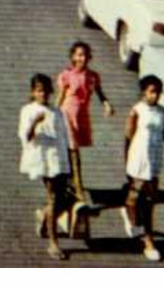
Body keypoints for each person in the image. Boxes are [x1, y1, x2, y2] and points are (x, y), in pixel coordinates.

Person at [122, 74, 164, 262]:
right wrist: (126, 163)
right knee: (134, 199)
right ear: (144, 92)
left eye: (157, 92)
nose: (154, 96)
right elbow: (128, 137)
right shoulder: (137, 110)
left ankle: (148, 240)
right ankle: (129, 212)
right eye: (151, 92)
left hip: (154, 161)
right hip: (138, 160)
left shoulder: (163, 112)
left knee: (149, 202)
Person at [18, 72, 71, 261]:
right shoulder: (28, 110)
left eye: (46, 91)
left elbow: (63, 137)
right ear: (33, 92)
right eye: (39, 91)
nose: (43, 95)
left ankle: (43, 215)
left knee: (63, 199)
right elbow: (26, 136)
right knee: (54, 198)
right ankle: (53, 242)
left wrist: (69, 161)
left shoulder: (57, 112)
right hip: (43, 160)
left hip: (59, 159)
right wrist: (34, 123)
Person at [57, 40, 114, 210]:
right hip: (67, 115)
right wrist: (53, 114)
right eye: (79, 55)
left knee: (71, 150)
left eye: (85, 55)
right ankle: (79, 188)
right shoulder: (66, 75)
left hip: (81, 117)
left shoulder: (92, 76)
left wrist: (106, 104)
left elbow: (99, 93)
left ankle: (68, 183)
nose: (83, 58)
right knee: (73, 152)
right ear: (73, 57)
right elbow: (60, 98)